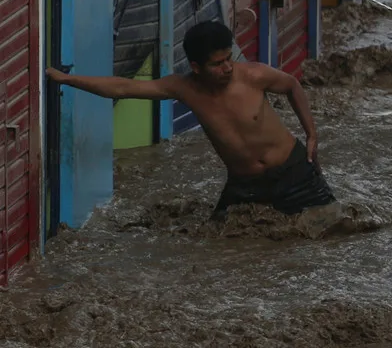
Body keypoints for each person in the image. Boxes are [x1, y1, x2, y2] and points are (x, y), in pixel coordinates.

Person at [46, 20, 335, 220]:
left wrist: (311, 134)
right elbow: (122, 87)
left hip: (294, 172)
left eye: (229, 59)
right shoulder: (184, 89)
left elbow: (292, 87)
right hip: (245, 184)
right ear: (196, 67)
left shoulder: (254, 75)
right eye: (217, 64)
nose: (227, 68)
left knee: (332, 228)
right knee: (223, 244)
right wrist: (68, 79)